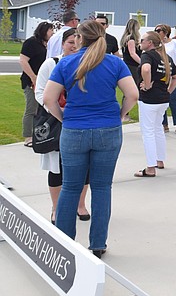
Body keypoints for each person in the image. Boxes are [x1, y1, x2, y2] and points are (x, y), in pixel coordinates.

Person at [42, 19, 139, 258]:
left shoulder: (66, 63)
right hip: (108, 129)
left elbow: (48, 99)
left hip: (74, 130)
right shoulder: (115, 63)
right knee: (102, 187)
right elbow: (132, 94)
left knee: (71, 187)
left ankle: (65, 243)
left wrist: (64, 118)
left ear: (78, 38)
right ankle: (97, 244)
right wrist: (120, 114)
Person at [34, 27, 89, 223]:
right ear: (62, 44)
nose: (74, 47)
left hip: (81, 122)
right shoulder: (51, 64)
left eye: (77, 43)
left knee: (84, 167)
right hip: (57, 121)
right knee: (57, 168)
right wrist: (58, 112)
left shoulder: (87, 64)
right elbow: (40, 93)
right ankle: (56, 208)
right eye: (70, 43)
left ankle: (80, 205)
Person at [135, 30, 176, 177]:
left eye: (142, 40)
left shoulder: (147, 55)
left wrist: (147, 86)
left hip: (149, 100)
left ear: (150, 43)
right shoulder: (165, 57)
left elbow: (146, 69)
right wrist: (169, 92)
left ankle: (150, 168)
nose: (140, 43)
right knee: (158, 129)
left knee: (148, 132)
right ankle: (160, 160)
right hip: (162, 99)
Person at [19, 21, 54, 147]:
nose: (52, 33)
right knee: (31, 109)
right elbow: (23, 60)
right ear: (43, 31)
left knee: (41, 110)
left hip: (44, 81)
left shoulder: (47, 45)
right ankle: (28, 137)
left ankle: (38, 135)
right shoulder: (31, 43)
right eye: (51, 30)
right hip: (31, 81)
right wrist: (33, 77)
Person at [120, 18, 143, 90]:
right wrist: (142, 62)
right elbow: (132, 54)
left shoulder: (126, 39)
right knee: (133, 87)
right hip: (132, 66)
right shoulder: (131, 39)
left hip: (129, 65)